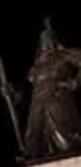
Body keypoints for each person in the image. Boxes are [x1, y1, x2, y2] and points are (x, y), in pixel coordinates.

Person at [24, 18, 81, 158]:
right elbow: (30, 88)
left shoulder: (63, 56)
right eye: (43, 40)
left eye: (49, 39)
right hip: (37, 104)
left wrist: (75, 82)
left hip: (57, 99)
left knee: (65, 140)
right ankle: (35, 154)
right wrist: (13, 94)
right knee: (34, 137)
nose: (46, 43)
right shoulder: (37, 66)